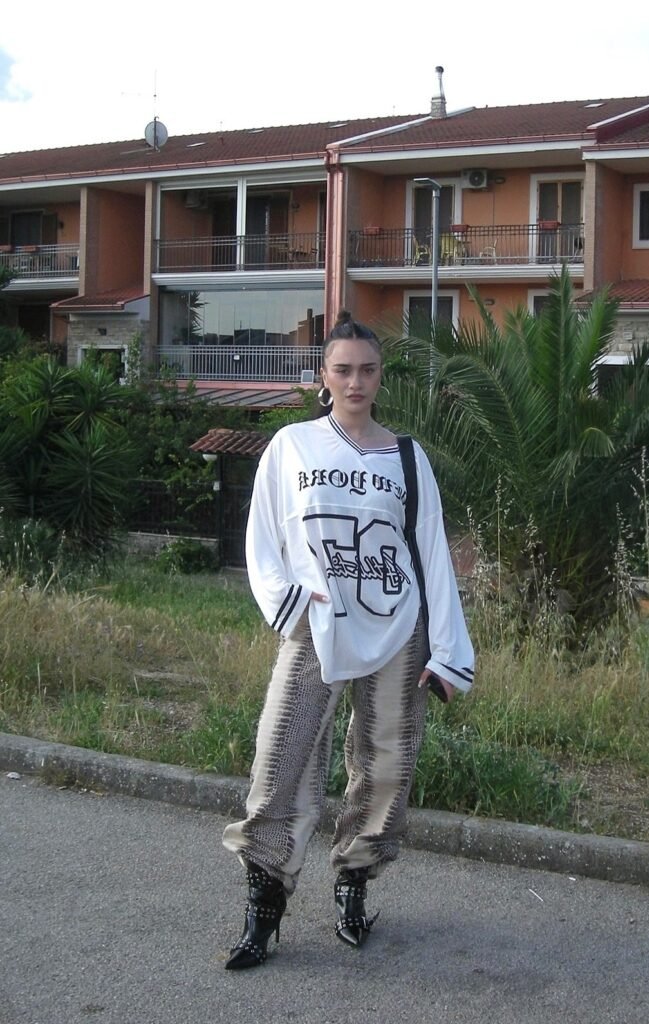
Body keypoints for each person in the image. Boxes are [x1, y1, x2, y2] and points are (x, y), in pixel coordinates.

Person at [222, 310, 474, 970]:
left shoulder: (408, 459)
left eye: (366, 369)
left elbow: (430, 557)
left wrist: (448, 651)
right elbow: (263, 537)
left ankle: (353, 886)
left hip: (399, 630)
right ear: (323, 377)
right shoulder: (292, 446)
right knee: (278, 758)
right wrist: (285, 601)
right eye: (342, 369)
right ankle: (263, 912)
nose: (354, 381)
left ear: (379, 377)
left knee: (387, 766)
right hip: (315, 625)